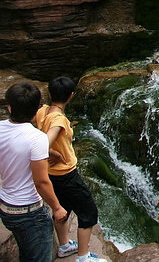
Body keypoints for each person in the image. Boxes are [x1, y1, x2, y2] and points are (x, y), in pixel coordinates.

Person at [35, 77, 106, 262]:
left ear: (50, 94)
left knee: (63, 209)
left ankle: (65, 245)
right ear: (71, 96)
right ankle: (83, 257)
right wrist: (52, 152)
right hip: (66, 174)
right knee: (89, 213)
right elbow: (42, 144)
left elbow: (31, 130)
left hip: (52, 175)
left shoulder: (42, 111)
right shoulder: (59, 120)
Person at [0, 82, 68, 262]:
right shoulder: (37, 139)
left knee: (26, 251)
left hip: (6, 206)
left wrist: (47, 151)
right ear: (37, 109)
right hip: (29, 212)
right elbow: (41, 181)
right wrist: (57, 207)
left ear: (9, 107)